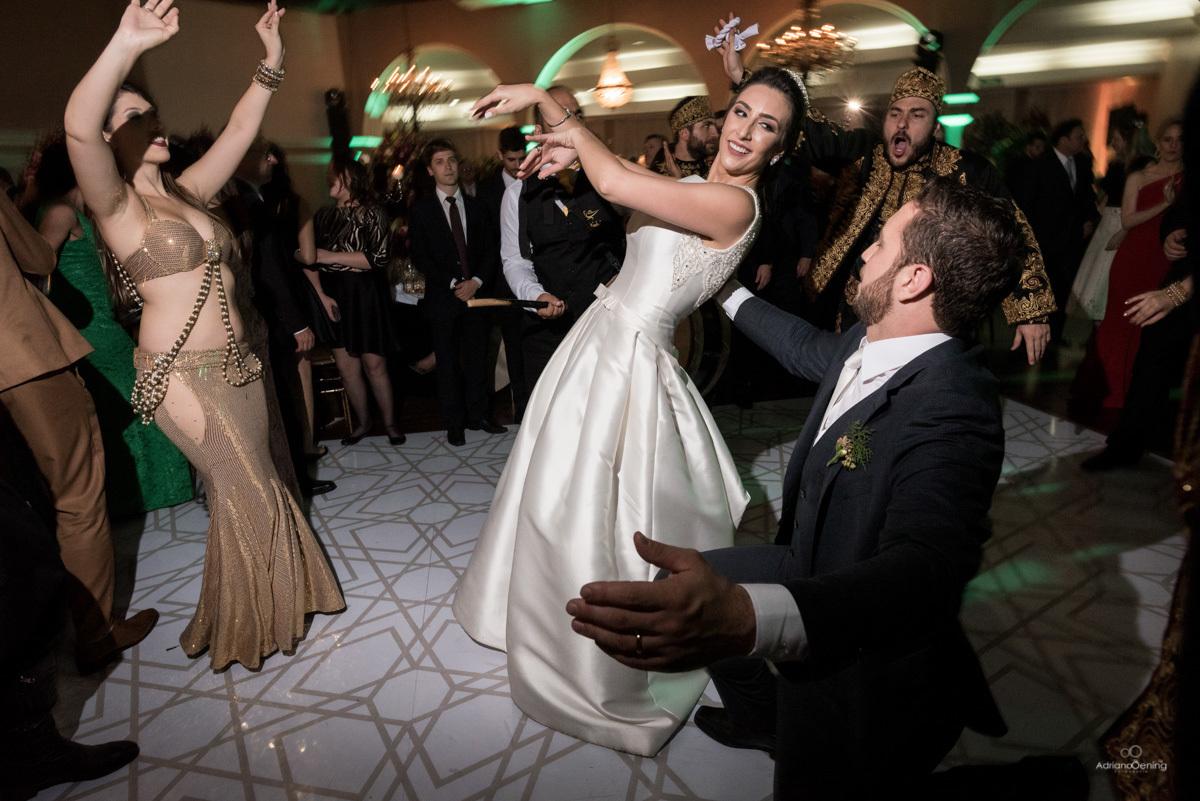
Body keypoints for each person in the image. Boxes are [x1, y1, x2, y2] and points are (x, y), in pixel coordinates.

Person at [566, 180, 1042, 798]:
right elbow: (801, 346)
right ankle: (760, 721)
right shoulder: (874, 339)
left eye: (880, 243)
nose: (864, 252)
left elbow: (925, 568)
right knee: (685, 582)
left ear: (913, 279)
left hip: (859, 642)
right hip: (806, 557)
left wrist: (748, 619)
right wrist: (721, 286)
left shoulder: (954, 408)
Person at [453, 66, 809, 757]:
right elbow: (620, 188)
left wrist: (543, 100)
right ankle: (532, 613)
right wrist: (571, 147)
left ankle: (593, 657)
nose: (745, 130)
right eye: (741, 111)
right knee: (553, 492)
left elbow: (616, 182)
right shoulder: (693, 186)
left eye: (767, 125)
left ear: (781, 148)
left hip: (630, 359)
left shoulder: (735, 207)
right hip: (600, 339)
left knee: (594, 508)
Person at [64, 0, 344, 671]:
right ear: (109, 136)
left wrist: (272, 60)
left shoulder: (187, 191)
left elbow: (243, 126)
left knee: (248, 485)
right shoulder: (117, 206)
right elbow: (77, 127)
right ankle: (256, 622)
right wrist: (125, 46)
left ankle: (256, 606)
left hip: (240, 365)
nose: (152, 122)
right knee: (249, 484)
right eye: (133, 115)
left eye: (151, 112)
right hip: (182, 376)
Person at [713, 23, 1054, 364]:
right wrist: (743, 77)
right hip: (846, 303)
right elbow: (809, 129)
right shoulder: (863, 150)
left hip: (922, 312)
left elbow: (1013, 231)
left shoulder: (966, 171)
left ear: (936, 126)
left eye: (916, 115)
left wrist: (1031, 310)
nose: (902, 124)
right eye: (895, 114)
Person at [35, 140, 194, 517]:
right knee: (141, 401)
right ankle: (148, 492)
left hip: (100, 325)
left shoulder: (78, 211)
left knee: (134, 403)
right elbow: (38, 262)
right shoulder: (60, 211)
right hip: (91, 331)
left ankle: (143, 494)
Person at [499, 86, 627, 390]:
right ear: (539, 132)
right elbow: (515, 261)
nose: (573, 124)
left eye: (577, 116)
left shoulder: (610, 178)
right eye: (561, 117)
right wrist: (536, 296)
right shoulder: (517, 194)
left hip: (609, 324)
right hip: (549, 334)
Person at [407, 139, 504, 446]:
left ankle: (480, 416)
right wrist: (452, 283)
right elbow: (420, 256)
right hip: (442, 297)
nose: (447, 167)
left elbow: (491, 249)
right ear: (430, 170)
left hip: (477, 294)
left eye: (451, 160)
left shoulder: (477, 207)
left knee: (478, 358)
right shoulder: (420, 211)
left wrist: (476, 280)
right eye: (439, 162)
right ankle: (454, 424)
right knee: (447, 364)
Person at [1085, 119, 1185, 409]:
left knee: (1154, 331)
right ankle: (1112, 391)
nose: (1173, 145)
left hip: (1169, 260)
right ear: (1157, 143)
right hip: (1134, 258)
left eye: (1180, 140)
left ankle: (1143, 396)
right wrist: (1165, 204)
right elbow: (1128, 220)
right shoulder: (1139, 177)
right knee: (1120, 321)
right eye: (1167, 139)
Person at [308, 156, 403, 445]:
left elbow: (379, 258)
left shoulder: (371, 212)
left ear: (351, 178)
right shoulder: (322, 215)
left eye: (335, 173)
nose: (329, 178)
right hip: (333, 295)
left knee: (375, 365)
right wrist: (319, 286)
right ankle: (363, 423)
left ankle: (390, 423)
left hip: (365, 295)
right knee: (346, 368)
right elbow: (305, 256)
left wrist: (329, 257)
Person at [1011, 118, 1100, 342]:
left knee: (1063, 289)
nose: (1083, 140)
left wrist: (1089, 219)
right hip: (1044, 239)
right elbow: (1027, 202)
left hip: (1072, 240)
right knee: (1039, 288)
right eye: (1078, 136)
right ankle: (1032, 333)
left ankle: (1056, 334)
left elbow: (1087, 196)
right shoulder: (1041, 165)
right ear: (1063, 139)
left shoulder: (1082, 163)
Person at [1070, 116, 1155, 322]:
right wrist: (1092, 218)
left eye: (1116, 139)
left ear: (1128, 140)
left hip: (1123, 223)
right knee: (1093, 282)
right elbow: (1108, 197)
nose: (1112, 143)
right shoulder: (1116, 164)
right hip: (1106, 224)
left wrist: (1124, 231)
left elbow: (1144, 202)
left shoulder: (1144, 165)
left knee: (1105, 281)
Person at [475, 126, 529, 420]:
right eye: (511, 160)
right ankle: (520, 410)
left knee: (533, 346)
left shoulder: (536, 180)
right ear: (500, 156)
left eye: (522, 158)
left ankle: (534, 408)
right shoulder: (486, 190)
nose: (518, 165)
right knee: (512, 346)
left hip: (537, 277)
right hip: (502, 281)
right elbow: (485, 242)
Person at [654, 96, 719, 179]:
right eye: (707, 126)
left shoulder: (716, 170)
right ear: (684, 134)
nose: (716, 134)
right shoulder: (658, 175)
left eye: (715, 127)